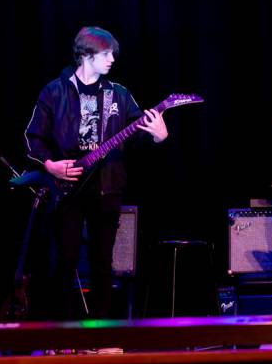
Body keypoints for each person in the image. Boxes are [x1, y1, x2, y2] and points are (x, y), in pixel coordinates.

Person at [25, 26, 168, 320]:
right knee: (65, 260)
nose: (112, 59)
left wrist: (159, 135)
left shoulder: (119, 94)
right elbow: (33, 137)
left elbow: (140, 132)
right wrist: (50, 165)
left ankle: (101, 332)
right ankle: (61, 332)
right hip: (68, 186)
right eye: (106, 53)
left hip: (107, 186)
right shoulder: (54, 91)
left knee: (103, 262)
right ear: (86, 55)